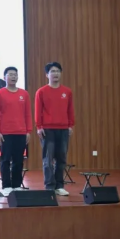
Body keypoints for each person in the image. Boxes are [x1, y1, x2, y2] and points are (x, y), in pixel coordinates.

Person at [35, 62, 74, 196]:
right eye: (52, 71)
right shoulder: (41, 91)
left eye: (57, 71)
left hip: (63, 129)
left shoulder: (67, 91)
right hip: (47, 129)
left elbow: (70, 110)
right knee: (48, 159)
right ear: (47, 75)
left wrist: (70, 125)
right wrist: (39, 127)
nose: (55, 73)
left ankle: (59, 186)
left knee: (61, 159)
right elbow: (38, 111)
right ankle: (49, 186)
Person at [0, 67, 31, 196]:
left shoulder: (24, 94)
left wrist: (28, 131)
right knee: (5, 160)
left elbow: (27, 113)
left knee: (18, 160)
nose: (13, 77)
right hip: (5, 133)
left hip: (21, 132)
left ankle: (17, 185)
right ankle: (6, 185)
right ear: (5, 77)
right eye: (10, 74)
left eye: (15, 74)